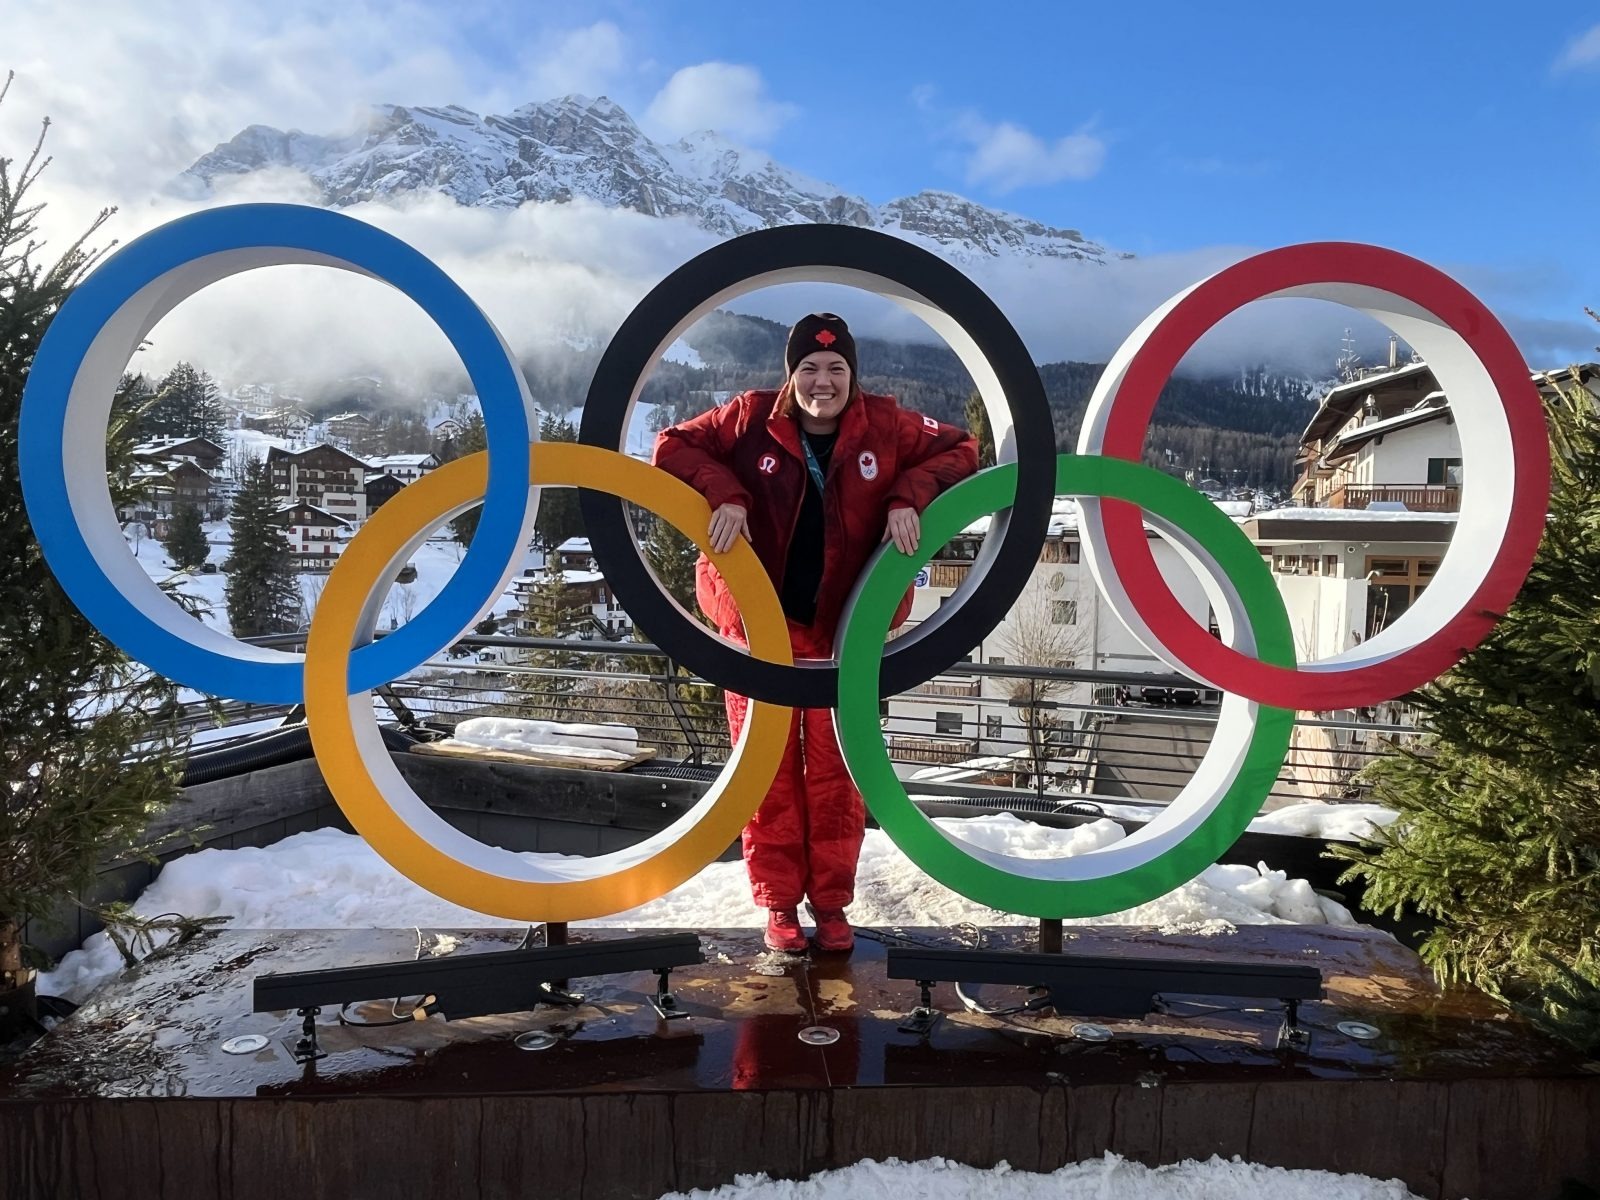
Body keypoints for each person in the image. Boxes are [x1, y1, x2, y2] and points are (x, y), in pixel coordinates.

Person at [652, 313, 978, 953]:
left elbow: (962, 448)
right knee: (765, 770)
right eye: (808, 369)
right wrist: (727, 491)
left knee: (838, 773)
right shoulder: (747, 417)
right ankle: (779, 905)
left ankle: (830, 905)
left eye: (835, 369)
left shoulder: (884, 424)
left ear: (852, 375)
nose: (821, 382)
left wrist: (907, 494)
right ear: (789, 374)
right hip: (760, 626)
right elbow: (669, 445)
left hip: (843, 632)